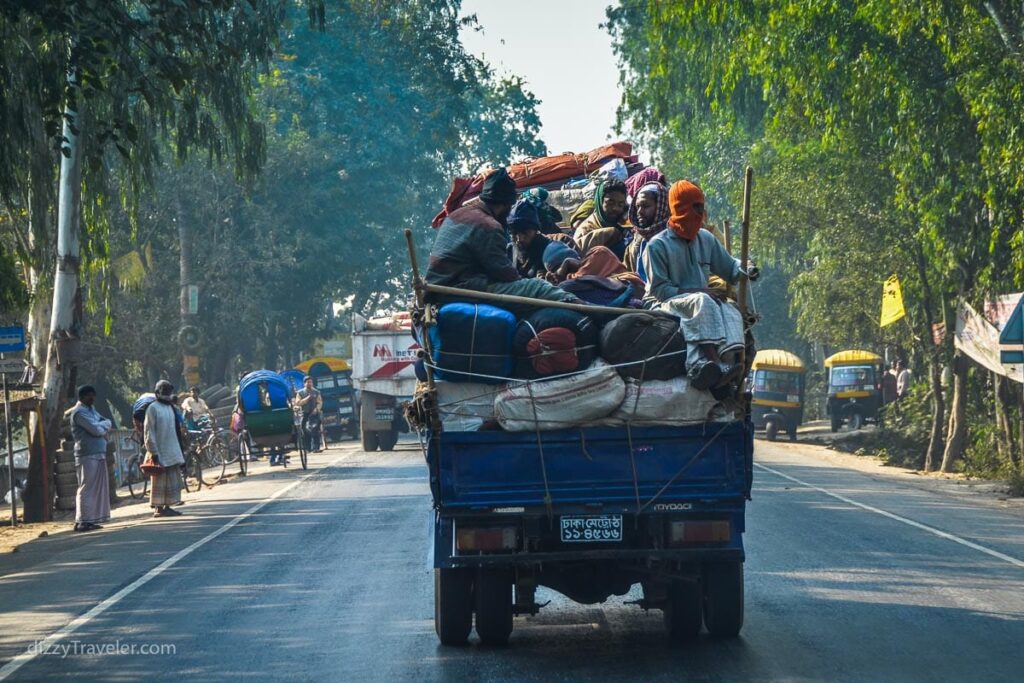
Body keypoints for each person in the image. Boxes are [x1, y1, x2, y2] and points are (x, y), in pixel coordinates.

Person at [642, 180, 754, 391]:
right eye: (696, 207)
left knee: (730, 309)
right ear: (681, 208)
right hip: (665, 302)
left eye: (702, 207)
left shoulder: (706, 239)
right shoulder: (657, 245)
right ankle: (710, 362)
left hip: (699, 300)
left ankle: (729, 363)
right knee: (703, 301)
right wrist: (701, 291)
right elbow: (661, 291)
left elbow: (730, 268)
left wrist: (747, 267)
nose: (701, 214)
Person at [425, 167, 580, 316]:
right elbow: (506, 275)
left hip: (440, 289)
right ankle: (583, 307)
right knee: (536, 287)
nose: (519, 238)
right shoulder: (489, 225)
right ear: (505, 206)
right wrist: (530, 281)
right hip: (457, 290)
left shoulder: (456, 214)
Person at [69, 385, 113, 532]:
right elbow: (96, 430)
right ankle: (82, 521)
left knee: (96, 489)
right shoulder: (79, 413)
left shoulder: (91, 410)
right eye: (89, 395)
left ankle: (91, 519)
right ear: (82, 397)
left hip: (99, 453)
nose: (92, 398)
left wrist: (103, 425)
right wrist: (103, 426)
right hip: (87, 454)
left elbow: (107, 422)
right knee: (86, 488)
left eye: (93, 395)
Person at [145, 380, 186, 517]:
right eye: (165, 392)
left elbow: (176, 430)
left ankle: (167, 506)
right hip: (159, 450)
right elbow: (149, 431)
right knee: (159, 480)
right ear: (157, 393)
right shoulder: (152, 408)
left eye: (169, 392)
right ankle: (158, 508)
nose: (168, 395)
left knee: (171, 480)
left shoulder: (170, 408)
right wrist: (153, 451)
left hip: (172, 450)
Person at [573, 179, 630, 258]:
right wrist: (610, 233)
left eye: (620, 204)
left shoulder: (623, 225)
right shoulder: (586, 230)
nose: (615, 208)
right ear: (600, 202)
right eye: (610, 203)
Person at [624, 182, 670, 281]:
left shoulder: (672, 238)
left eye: (645, 206)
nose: (639, 212)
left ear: (661, 207)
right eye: (637, 206)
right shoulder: (636, 241)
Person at [507, 199, 552, 279]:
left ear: (536, 230)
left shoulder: (550, 251)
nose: (520, 239)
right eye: (514, 233)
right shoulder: (509, 250)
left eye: (525, 232)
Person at [295, 376, 323, 455]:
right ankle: (307, 448)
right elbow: (298, 403)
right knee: (305, 431)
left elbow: (320, 402)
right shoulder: (300, 393)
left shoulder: (316, 392)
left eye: (311, 382)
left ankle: (316, 448)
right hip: (304, 414)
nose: (309, 384)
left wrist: (316, 409)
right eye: (308, 382)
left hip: (314, 414)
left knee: (315, 430)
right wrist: (307, 398)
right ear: (304, 383)